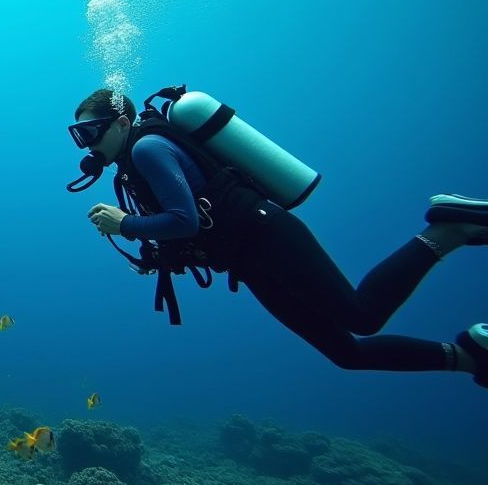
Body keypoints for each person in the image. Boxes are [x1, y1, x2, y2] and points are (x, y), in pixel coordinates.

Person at [70, 87, 488, 386]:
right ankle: (470, 357)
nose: (86, 145)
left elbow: (185, 220)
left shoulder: (146, 150)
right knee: (348, 354)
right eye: (79, 135)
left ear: (122, 123)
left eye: (91, 132)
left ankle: (448, 228)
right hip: (249, 258)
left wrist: (124, 224)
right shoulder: (134, 162)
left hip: (266, 235)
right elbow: (186, 225)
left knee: (362, 315)